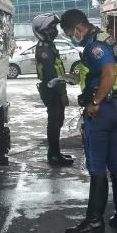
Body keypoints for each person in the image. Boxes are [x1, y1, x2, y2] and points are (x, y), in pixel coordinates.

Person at [59, 8, 117, 233]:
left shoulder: (95, 46)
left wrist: (95, 101)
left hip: (103, 111)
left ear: (78, 28)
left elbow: (109, 72)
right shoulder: (103, 37)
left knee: (97, 165)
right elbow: (104, 73)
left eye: (71, 33)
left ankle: (94, 221)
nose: (72, 37)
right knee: (115, 161)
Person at [31, 13, 74, 167]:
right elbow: (51, 74)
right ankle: (54, 155)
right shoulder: (44, 48)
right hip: (52, 89)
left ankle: (55, 153)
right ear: (41, 31)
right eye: (51, 28)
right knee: (54, 122)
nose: (55, 30)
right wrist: (62, 93)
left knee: (57, 121)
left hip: (54, 88)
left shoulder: (49, 45)